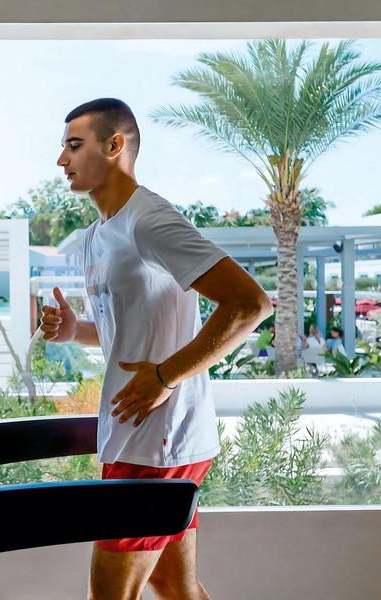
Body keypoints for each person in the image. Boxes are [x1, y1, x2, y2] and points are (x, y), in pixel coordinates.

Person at [42, 98, 273, 600]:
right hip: (137, 434)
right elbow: (128, 332)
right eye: (63, 147)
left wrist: (166, 376)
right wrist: (73, 330)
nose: (62, 159)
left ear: (115, 146)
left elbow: (250, 303)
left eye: (74, 146)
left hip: (158, 442)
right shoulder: (96, 236)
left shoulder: (150, 219)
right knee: (175, 588)